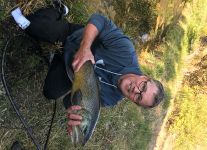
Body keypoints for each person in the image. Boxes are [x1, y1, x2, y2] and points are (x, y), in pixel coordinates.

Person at [11, 1, 165, 135]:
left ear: (134, 102)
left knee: (50, 92)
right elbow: (100, 20)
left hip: (70, 70)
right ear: (145, 78)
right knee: (29, 24)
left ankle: (56, 55)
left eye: (138, 97)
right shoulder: (126, 51)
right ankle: (59, 9)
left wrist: (74, 112)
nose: (136, 90)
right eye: (143, 86)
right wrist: (85, 48)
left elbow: (68, 100)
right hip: (74, 38)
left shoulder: (111, 98)